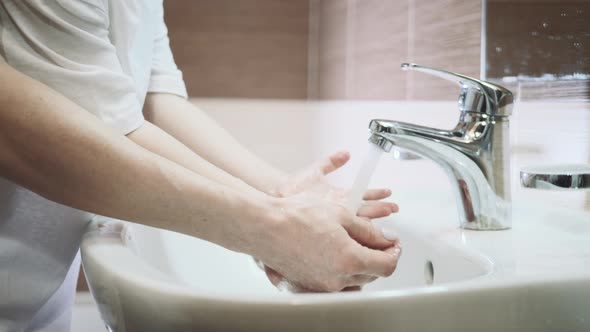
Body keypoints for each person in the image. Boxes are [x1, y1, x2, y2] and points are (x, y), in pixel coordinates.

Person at [0, 1, 401, 331]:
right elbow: (69, 127)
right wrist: (272, 223)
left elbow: (154, 101)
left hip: (41, 286)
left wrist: (278, 190)